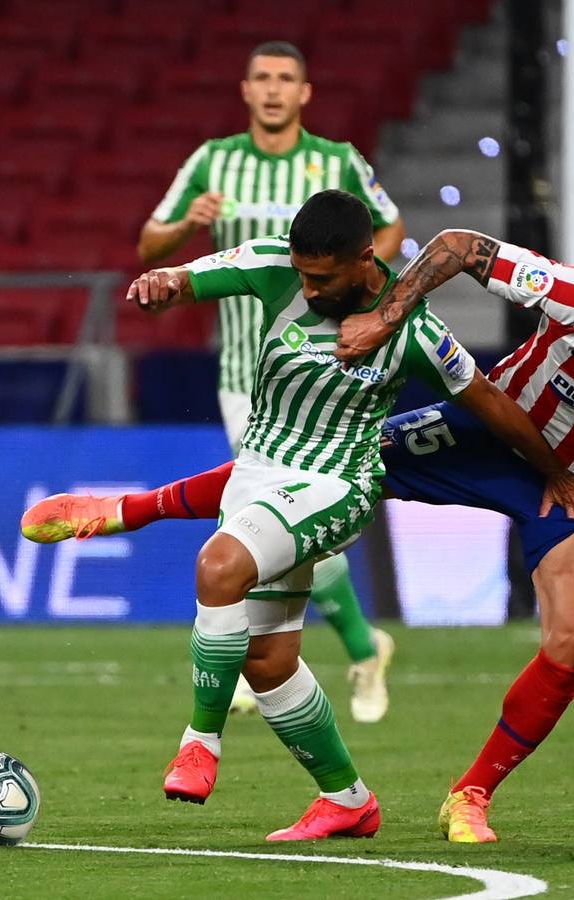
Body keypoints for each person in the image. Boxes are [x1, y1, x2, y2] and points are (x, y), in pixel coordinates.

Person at [21, 228, 574, 843]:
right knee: (328, 462)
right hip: (481, 435)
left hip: (571, 486)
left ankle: (471, 794)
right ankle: (127, 510)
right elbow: (456, 246)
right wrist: (388, 312)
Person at [33, 190, 574, 841]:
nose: (307, 287)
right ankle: (348, 799)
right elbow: (190, 277)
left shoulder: (414, 331)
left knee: (218, 568)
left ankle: (200, 741)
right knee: (268, 661)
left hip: (340, 483)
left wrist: (555, 468)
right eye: (302, 274)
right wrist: (165, 283)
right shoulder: (276, 266)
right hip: (259, 474)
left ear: (365, 261)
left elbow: (488, 401)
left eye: (322, 278)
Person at [137, 41, 406, 722]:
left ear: (305, 93)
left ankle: (340, 650)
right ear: (246, 89)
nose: (275, 89)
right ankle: (348, 646)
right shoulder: (211, 160)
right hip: (247, 376)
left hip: (334, 375)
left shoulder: (338, 159)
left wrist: (367, 300)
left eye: (287, 78)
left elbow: (390, 227)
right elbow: (149, 245)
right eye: (263, 77)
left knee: (285, 522)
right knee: (270, 522)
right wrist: (185, 226)